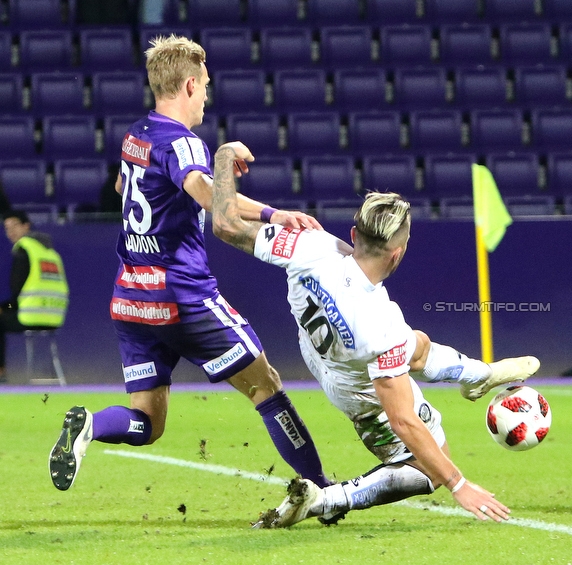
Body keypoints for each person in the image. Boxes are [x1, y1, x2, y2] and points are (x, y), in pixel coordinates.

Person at [48, 36, 331, 497]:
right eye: (204, 88)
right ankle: (324, 490)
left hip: (130, 297)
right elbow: (213, 204)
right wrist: (261, 205)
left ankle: (90, 427)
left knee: (148, 422)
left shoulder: (136, 135)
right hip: (180, 295)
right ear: (188, 85)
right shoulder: (185, 143)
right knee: (266, 387)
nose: (206, 97)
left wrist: (269, 211)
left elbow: (125, 187)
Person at [208, 142, 540, 527]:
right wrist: (458, 483)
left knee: (417, 346)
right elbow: (402, 421)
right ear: (398, 254)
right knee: (432, 464)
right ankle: (325, 500)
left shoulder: (310, 245)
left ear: (354, 232)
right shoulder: (382, 327)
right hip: (361, 396)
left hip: (321, 355)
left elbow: (225, 223)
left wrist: (222, 160)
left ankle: (477, 377)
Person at [1, 211, 69, 384]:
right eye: (7, 228)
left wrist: (4, 308)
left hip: (30, 315)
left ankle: (1, 372)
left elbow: (16, 295)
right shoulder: (51, 253)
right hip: (55, 317)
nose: (10, 232)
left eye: (14, 226)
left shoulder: (24, 250)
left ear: (26, 226)